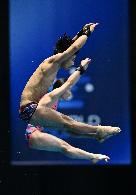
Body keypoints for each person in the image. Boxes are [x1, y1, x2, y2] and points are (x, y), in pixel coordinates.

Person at [19, 23, 121, 158]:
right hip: (29, 108)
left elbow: (70, 48)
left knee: (69, 127)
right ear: (66, 55)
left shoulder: (53, 65)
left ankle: (96, 135)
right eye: (73, 58)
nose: (73, 62)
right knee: (69, 123)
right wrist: (86, 32)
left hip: (30, 110)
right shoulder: (52, 62)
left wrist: (79, 34)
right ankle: (99, 130)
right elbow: (74, 47)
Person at [25, 61, 110, 163]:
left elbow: (72, 132)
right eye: (68, 90)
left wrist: (91, 135)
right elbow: (69, 82)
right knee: (65, 146)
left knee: (70, 131)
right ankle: (93, 154)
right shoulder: (51, 97)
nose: (70, 92)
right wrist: (81, 68)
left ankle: (96, 135)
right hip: (33, 133)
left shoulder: (53, 101)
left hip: (34, 134)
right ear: (62, 89)